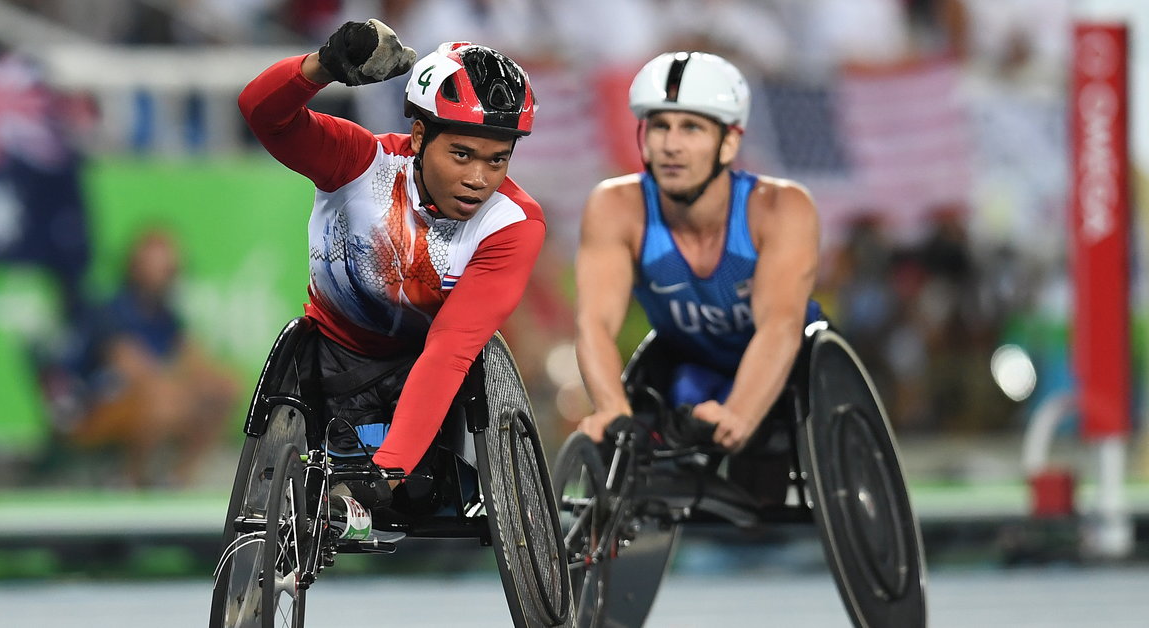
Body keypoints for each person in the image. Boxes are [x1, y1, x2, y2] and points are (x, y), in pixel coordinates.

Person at [238, 19, 544, 504]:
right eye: (462, 155)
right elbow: (260, 112)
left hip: (426, 374)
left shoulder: (512, 224)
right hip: (331, 359)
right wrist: (321, 66)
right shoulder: (357, 164)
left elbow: (450, 348)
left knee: (419, 489)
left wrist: (391, 470)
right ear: (419, 136)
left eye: (497, 160)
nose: (478, 179)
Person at [574, 51, 822, 459]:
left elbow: (780, 326)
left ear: (728, 143)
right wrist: (612, 409)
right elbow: (594, 325)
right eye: (659, 127)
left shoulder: (781, 208)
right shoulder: (615, 207)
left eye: (691, 128)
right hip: (689, 369)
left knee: (760, 462)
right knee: (669, 400)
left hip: (791, 368)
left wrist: (739, 413)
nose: (671, 145)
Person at [68, 228, 239, 487]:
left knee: (222, 388)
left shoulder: (167, 318)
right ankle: (128, 477)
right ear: (136, 268)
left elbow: (195, 362)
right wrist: (185, 384)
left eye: (172, 269)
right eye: (161, 268)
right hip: (95, 409)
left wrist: (211, 383)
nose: (169, 275)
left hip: (153, 396)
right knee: (163, 398)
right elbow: (135, 368)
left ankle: (177, 477)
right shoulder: (110, 313)